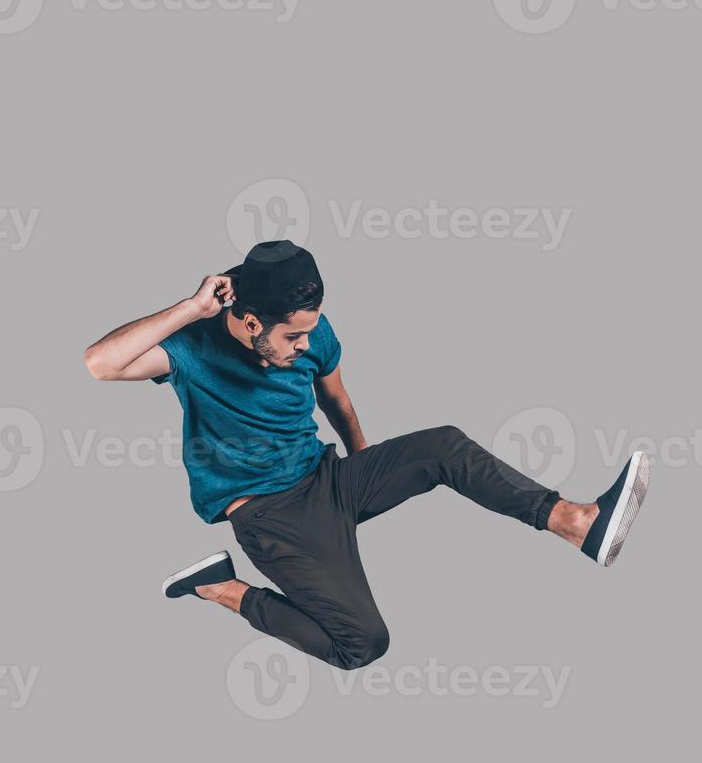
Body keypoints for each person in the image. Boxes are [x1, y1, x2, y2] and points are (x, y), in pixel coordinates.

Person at [83, 240, 649, 670]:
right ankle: (219, 587)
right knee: (362, 645)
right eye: (294, 337)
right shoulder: (192, 352)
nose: (307, 343)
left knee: (443, 445)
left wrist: (364, 471)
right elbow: (99, 364)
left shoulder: (313, 332)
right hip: (269, 517)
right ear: (251, 321)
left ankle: (576, 523)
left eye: (310, 331)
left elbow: (339, 401)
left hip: (327, 477)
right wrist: (190, 307)